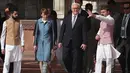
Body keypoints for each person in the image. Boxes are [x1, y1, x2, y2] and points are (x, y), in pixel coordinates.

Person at [87, 5, 120, 73]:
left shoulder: (111, 19)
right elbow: (101, 29)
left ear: (108, 12)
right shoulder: (102, 21)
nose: (102, 13)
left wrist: (94, 16)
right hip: (101, 42)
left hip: (108, 43)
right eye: (101, 12)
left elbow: (105, 19)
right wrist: (98, 34)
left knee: (109, 60)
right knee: (98, 59)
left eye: (104, 12)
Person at [58, 2, 88, 73]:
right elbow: (62, 30)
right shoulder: (67, 18)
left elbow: (84, 32)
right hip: (67, 42)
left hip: (77, 43)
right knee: (65, 58)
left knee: (76, 61)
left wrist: (84, 42)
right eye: (74, 8)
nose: (75, 10)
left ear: (79, 9)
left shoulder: (82, 19)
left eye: (77, 8)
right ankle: (70, 71)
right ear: (71, 9)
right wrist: (60, 41)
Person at [1, 5, 24, 73]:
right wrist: (2, 47)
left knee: (18, 62)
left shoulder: (19, 22)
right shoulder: (5, 22)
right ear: (11, 13)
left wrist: (22, 44)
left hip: (17, 46)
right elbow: (3, 36)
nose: (16, 15)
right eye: (15, 14)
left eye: (17, 14)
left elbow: (22, 34)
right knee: (7, 62)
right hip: (8, 45)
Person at [33, 8, 56, 73]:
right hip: (40, 43)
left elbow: (53, 33)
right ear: (41, 15)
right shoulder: (38, 22)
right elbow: (36, 33)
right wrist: (35, 44)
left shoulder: (51, 22)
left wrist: (54, 44)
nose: (45, 16)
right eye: (44, 15)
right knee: (40, 59)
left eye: (46, 14)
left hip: (48, 42)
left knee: (46, 59)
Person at [114, 3, 130, 73]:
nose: (125, 10)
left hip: (128, 39)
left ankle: (127, 70)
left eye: (127, 8)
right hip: (121, 39)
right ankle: (124, 69)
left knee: (128, 57)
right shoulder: (120, 16)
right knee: (118, 53)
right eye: (124, 8)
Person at [84, 3, 100, 73]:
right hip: (91, 39)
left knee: (86, 56)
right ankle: (89, 69)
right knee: (90, 56)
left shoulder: (83, 16)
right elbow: (98, 29)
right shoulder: (95, 17)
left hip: (87, 39)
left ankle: (88, 69)